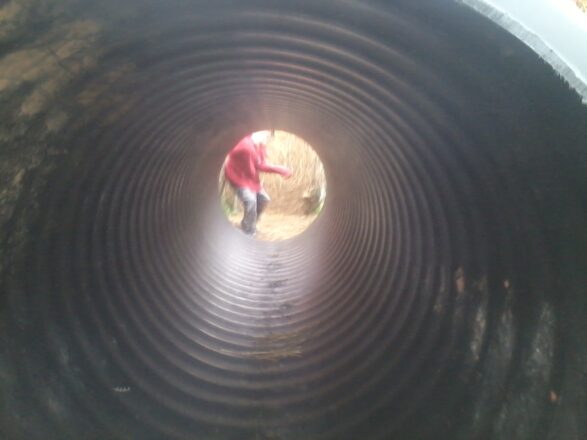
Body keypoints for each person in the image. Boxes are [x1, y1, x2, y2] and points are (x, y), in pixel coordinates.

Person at [224, 131, 292, 235]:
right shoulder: (243, 141)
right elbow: (232, 150)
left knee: (264, 199)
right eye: (266, 134)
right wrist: (249, 146)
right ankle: (248, 233)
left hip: (251, 179)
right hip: (236, 176)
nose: (267, 138)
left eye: (269, 136)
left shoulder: (260, 146)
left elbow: (260, 165)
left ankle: (248, 224)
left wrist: (279, 169)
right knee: (251, 201)